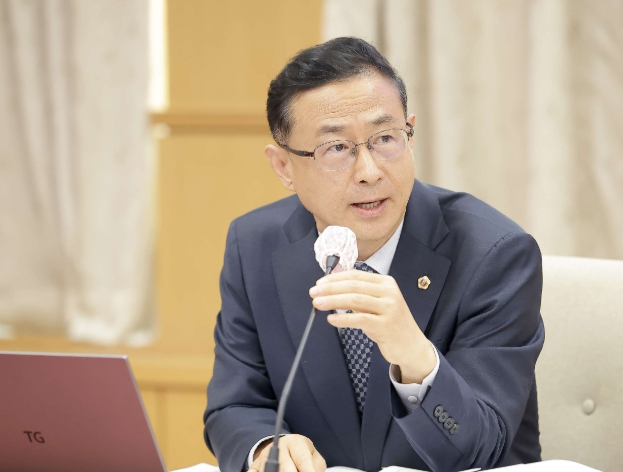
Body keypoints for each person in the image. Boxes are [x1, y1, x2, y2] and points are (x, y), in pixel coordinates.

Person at [203, 37, 544, 472]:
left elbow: (484, 447)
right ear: (284, 167)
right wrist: (268, 447)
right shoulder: (253, 245)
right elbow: (234, 404)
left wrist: (417, 358)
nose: (369, 172)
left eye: (385, 138)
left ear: (410, 135)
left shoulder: (495, 255)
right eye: (336, 148)